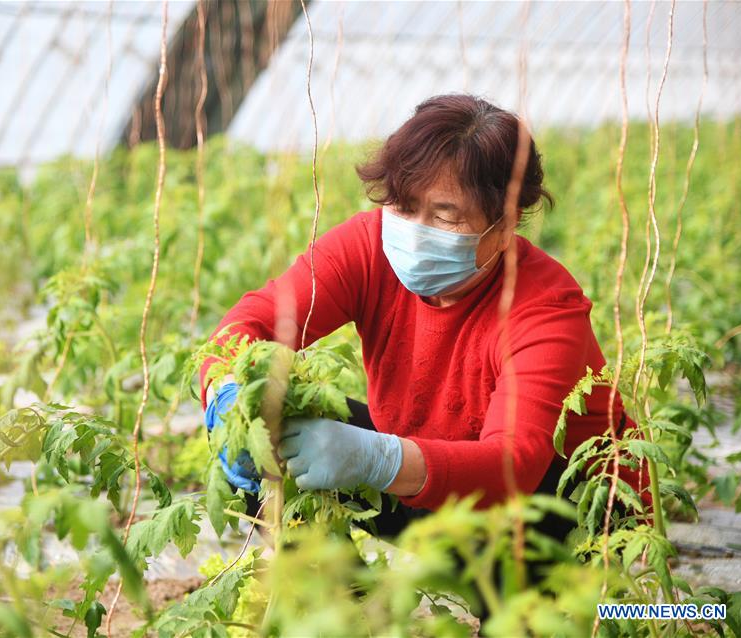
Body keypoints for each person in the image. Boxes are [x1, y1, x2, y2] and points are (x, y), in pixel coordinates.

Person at [199, 94, 646, 546]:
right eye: (405, 206)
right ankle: (335, 604)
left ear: (507, 224)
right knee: (277, 429)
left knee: (522, 578)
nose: (414, 230)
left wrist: (377, 460)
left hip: (561, 506)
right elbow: (253, 322)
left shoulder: (545, 308)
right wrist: (229, 394)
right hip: (428, 478)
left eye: (443, 216)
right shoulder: (367, 247)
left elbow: (512, 465)